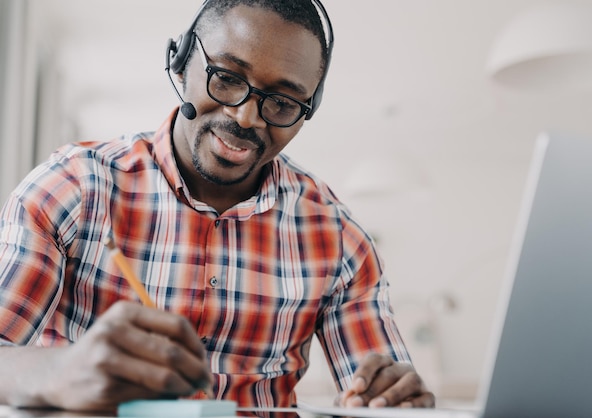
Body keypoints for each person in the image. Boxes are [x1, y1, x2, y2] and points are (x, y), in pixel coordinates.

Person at [0, 0, 435, 412]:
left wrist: (393, 398)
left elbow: (380, 393)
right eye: (226, 77)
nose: (246, 118)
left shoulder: (339, 238)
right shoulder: (73, 187)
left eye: (282, 103)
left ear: (307, 112)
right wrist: (60, 370)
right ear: (182, 59)